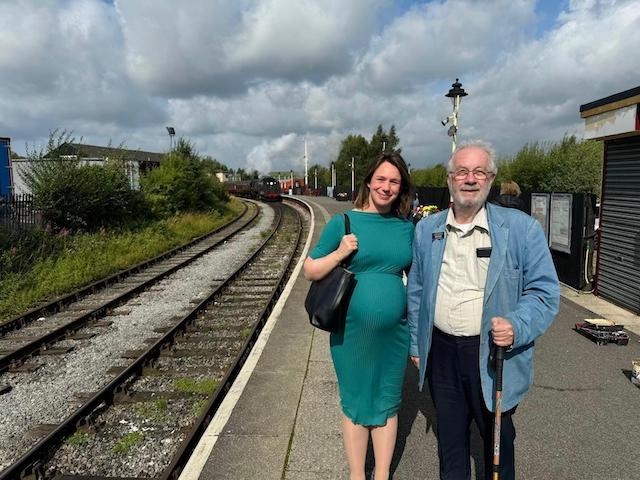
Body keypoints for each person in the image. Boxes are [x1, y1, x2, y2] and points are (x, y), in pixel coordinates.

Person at [407, 141, 559, 480]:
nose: (470, 179)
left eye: (479, 172)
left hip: (493, 354)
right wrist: (417, 345)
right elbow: (416, 291)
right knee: (450, 443)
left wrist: (518, 325)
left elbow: (545, 293)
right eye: (462, 171)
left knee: (497, 443)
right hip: (442, 352)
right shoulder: (426, 230)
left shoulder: (522, 229)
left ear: (491, 179)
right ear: (450, 179)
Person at [303, 152, 415, 480]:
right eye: (381, 179)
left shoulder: (405, 228)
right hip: (351, 332)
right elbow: (311, 270)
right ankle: (356, 474)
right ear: (368, 182)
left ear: (401, 187)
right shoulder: (344, 223)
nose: (386, 186)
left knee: (387, 400)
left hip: (395, 332)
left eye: (394, 181)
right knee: (355, 400)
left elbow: (419, 278)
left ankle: (381, 475)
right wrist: (340, 252)